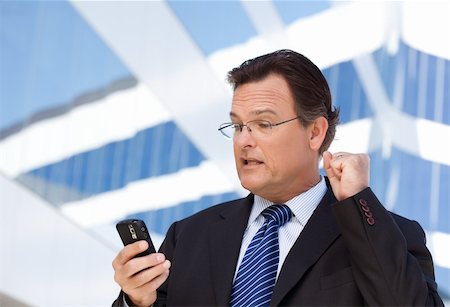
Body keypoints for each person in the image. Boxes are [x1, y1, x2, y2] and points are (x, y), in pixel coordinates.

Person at [112, 49, 443, 306]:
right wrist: (137, 301)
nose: (244, 140)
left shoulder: (388, 234)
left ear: (315, 132)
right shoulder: (188, 238)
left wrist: (359, 203)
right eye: (238, 125)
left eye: (264, 124)